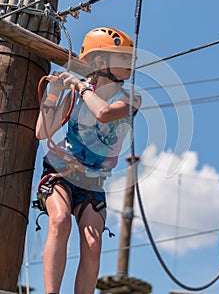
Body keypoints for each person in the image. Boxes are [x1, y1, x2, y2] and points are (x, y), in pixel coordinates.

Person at [35, 27, 141, 294]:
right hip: (60, 171)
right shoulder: (75, 96)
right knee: (60, 221)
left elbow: (104, 113)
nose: (131, 63)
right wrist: (54, 92)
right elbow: (42, 132)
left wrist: (80, 85)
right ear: (101, 63)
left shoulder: (130, 99)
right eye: (124, 58)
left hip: (92, 183)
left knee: (93, 245)